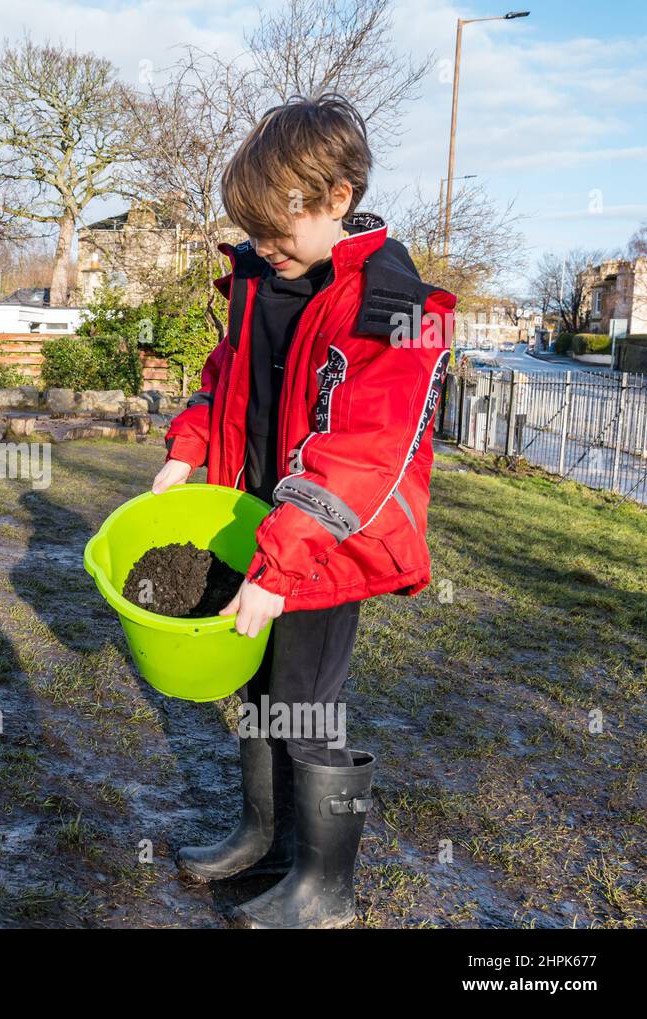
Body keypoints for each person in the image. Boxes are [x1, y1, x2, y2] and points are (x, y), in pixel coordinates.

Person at [151, 94, 457, 929]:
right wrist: (186, 446)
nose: (262, 247)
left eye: (278, 230)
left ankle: (326, 886)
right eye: (251, 230)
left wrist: (285, 565)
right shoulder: (261, 278)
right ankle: (262, 836)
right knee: (257, 691)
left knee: (308, 704)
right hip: (257, 524)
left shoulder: (394, 305)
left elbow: (364, 449)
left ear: (339, 197)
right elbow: (226, 378)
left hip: (326, 545)